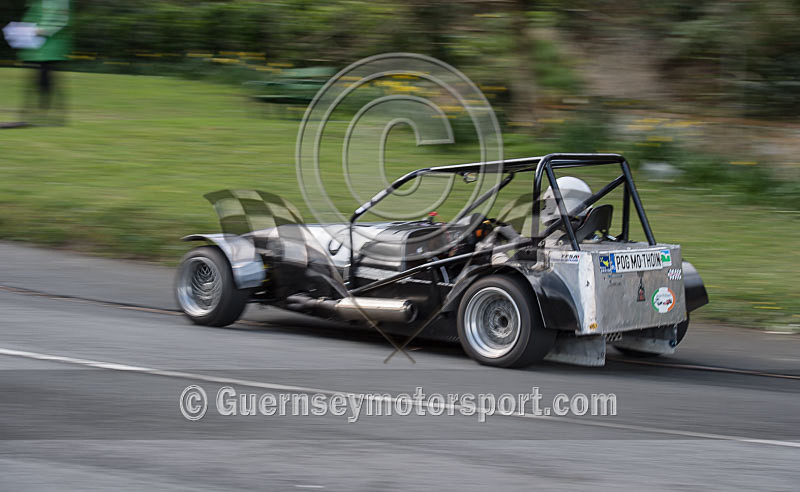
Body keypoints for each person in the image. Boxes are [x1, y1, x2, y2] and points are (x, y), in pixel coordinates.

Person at [3, 0, 71, 128]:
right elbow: (33, 16)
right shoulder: (37, 2)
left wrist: (42, 30)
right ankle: (40, 117)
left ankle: (45, 117)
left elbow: (60, 19)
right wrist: (25, 30)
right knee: (39, 79)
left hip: (49, 47)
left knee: (45, 80)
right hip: (37, 47)